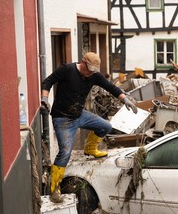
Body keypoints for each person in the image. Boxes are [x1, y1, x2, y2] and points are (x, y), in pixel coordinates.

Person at [41, 52, 138, 203]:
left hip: (80, 114)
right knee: (65, 152)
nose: (91, 73)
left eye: (94, 70)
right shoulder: (67, 70)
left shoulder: (93, 75)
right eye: (89, 69)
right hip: (62, 119)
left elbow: (111, 87)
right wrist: (44, 98)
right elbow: (48, 81)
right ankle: (54, 188)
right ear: (83, 63)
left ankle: (90, 149)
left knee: (105, 126)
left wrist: (125, 99)